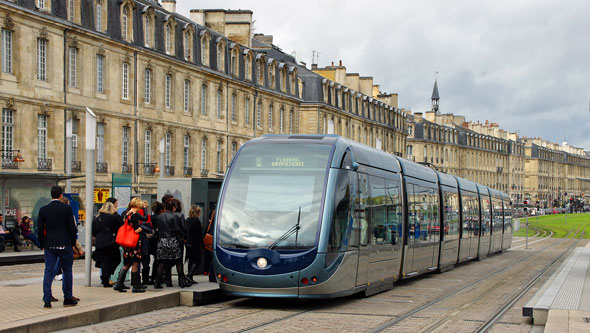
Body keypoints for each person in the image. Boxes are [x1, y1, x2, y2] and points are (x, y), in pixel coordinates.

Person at [38, 186, 78, 308]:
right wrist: (72, 243)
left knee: (48, 271)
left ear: (51, 195)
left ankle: (47, 299)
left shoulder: (43, 209)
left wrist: (42, 243)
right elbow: (72, 227)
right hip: (65, 243)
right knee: (67, 270)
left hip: (50, 245)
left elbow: (40, 229)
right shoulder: (66, 208)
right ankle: (67, 298)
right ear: (61, 195)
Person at [113, 198, 151, 293]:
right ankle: (136, 285)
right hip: (134, 243)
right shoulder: (135, 215)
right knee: (135, 263)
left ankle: (119, 283)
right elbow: (138, 227)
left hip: (127, 243)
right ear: (138, 205)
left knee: (127, 263)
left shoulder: (126, 214)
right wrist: (142, 228)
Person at [153, 199, 188, 288]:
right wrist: (182, 235)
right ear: (173, 207)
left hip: (162, 241)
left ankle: (157, 282)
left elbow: (157, 228)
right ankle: (182, 281)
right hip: (172, 240)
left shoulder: (160, 217)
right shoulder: (174, 216)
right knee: (178, 261)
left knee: (162, 262)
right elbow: (177, 229)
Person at [92, 202, 123, 288]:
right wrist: (116, 213)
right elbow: (121, 224)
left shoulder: (96, 218)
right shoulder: (112, 217)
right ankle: (106, 279)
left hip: (100, 243)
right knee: (116, 259)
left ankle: (105, 278)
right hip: (111, 243)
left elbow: (93, 231)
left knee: (104, 261)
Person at [186, 205, 204, 284]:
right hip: (195, 243)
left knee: (190, 260)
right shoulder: (197, 221)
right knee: (196, 260)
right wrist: (202, 244)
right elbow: (198, 235)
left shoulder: (187, 220)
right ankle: (189, 275)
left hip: (188, 243)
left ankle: (190, 276)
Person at [149, 201, 164, 285]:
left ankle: (152, 277)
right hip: (158, 239)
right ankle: (156, 278)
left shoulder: (151, 217)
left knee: (156, 259)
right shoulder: (159, 218)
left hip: (152, 239)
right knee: (158, 260)